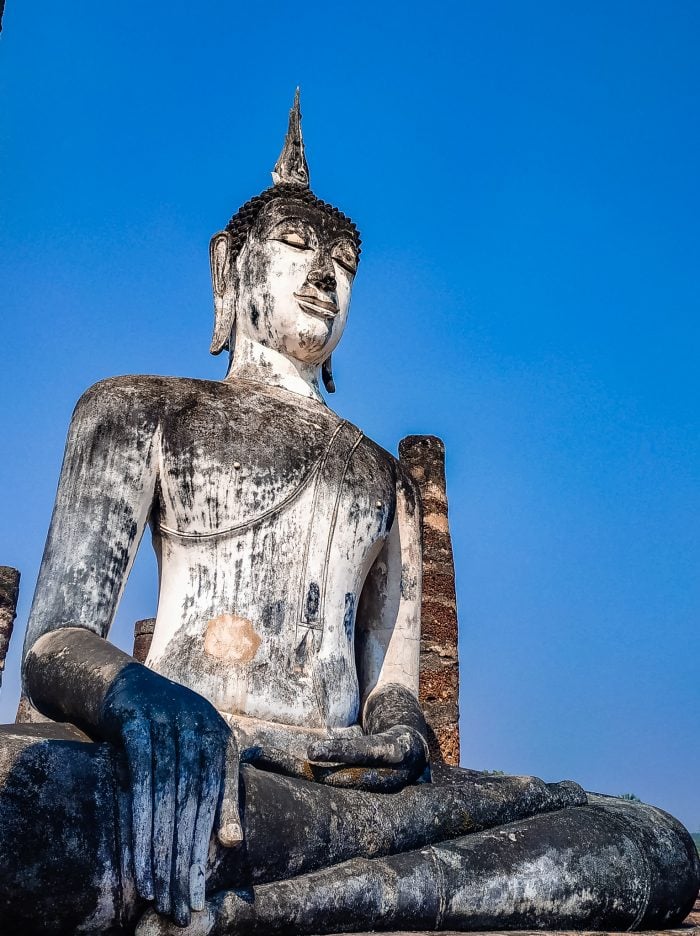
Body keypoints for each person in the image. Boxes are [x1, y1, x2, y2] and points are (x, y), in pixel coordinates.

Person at [2, 93, 697, 936]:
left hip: (342, 791)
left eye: (343, 261)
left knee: (643, 841)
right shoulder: (138, 408)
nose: (325, 275)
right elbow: (50, 646)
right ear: (229, 267)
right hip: (189, 767)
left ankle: (271, 910)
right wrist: (139, 698)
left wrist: (400, 733)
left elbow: (393, 686)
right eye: (296, 246)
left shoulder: (384, 477)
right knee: (25, 810)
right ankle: (300, 895)